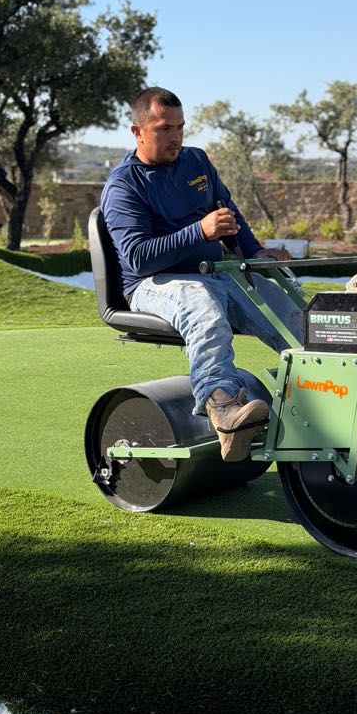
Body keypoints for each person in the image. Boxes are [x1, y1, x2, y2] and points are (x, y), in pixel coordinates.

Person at [101, 87, 302, 462]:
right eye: (163, 128)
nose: (175, 136)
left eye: (180, 127)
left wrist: (256, 252)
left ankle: (328, 393)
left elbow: (229, 215)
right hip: (153, 283)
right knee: (203, 304)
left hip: (216, 272)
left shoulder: (196, 161)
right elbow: (139, 257)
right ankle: (224, 409)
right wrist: (200, 232)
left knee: (283, 304)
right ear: (137, 132)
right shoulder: (124, 186)